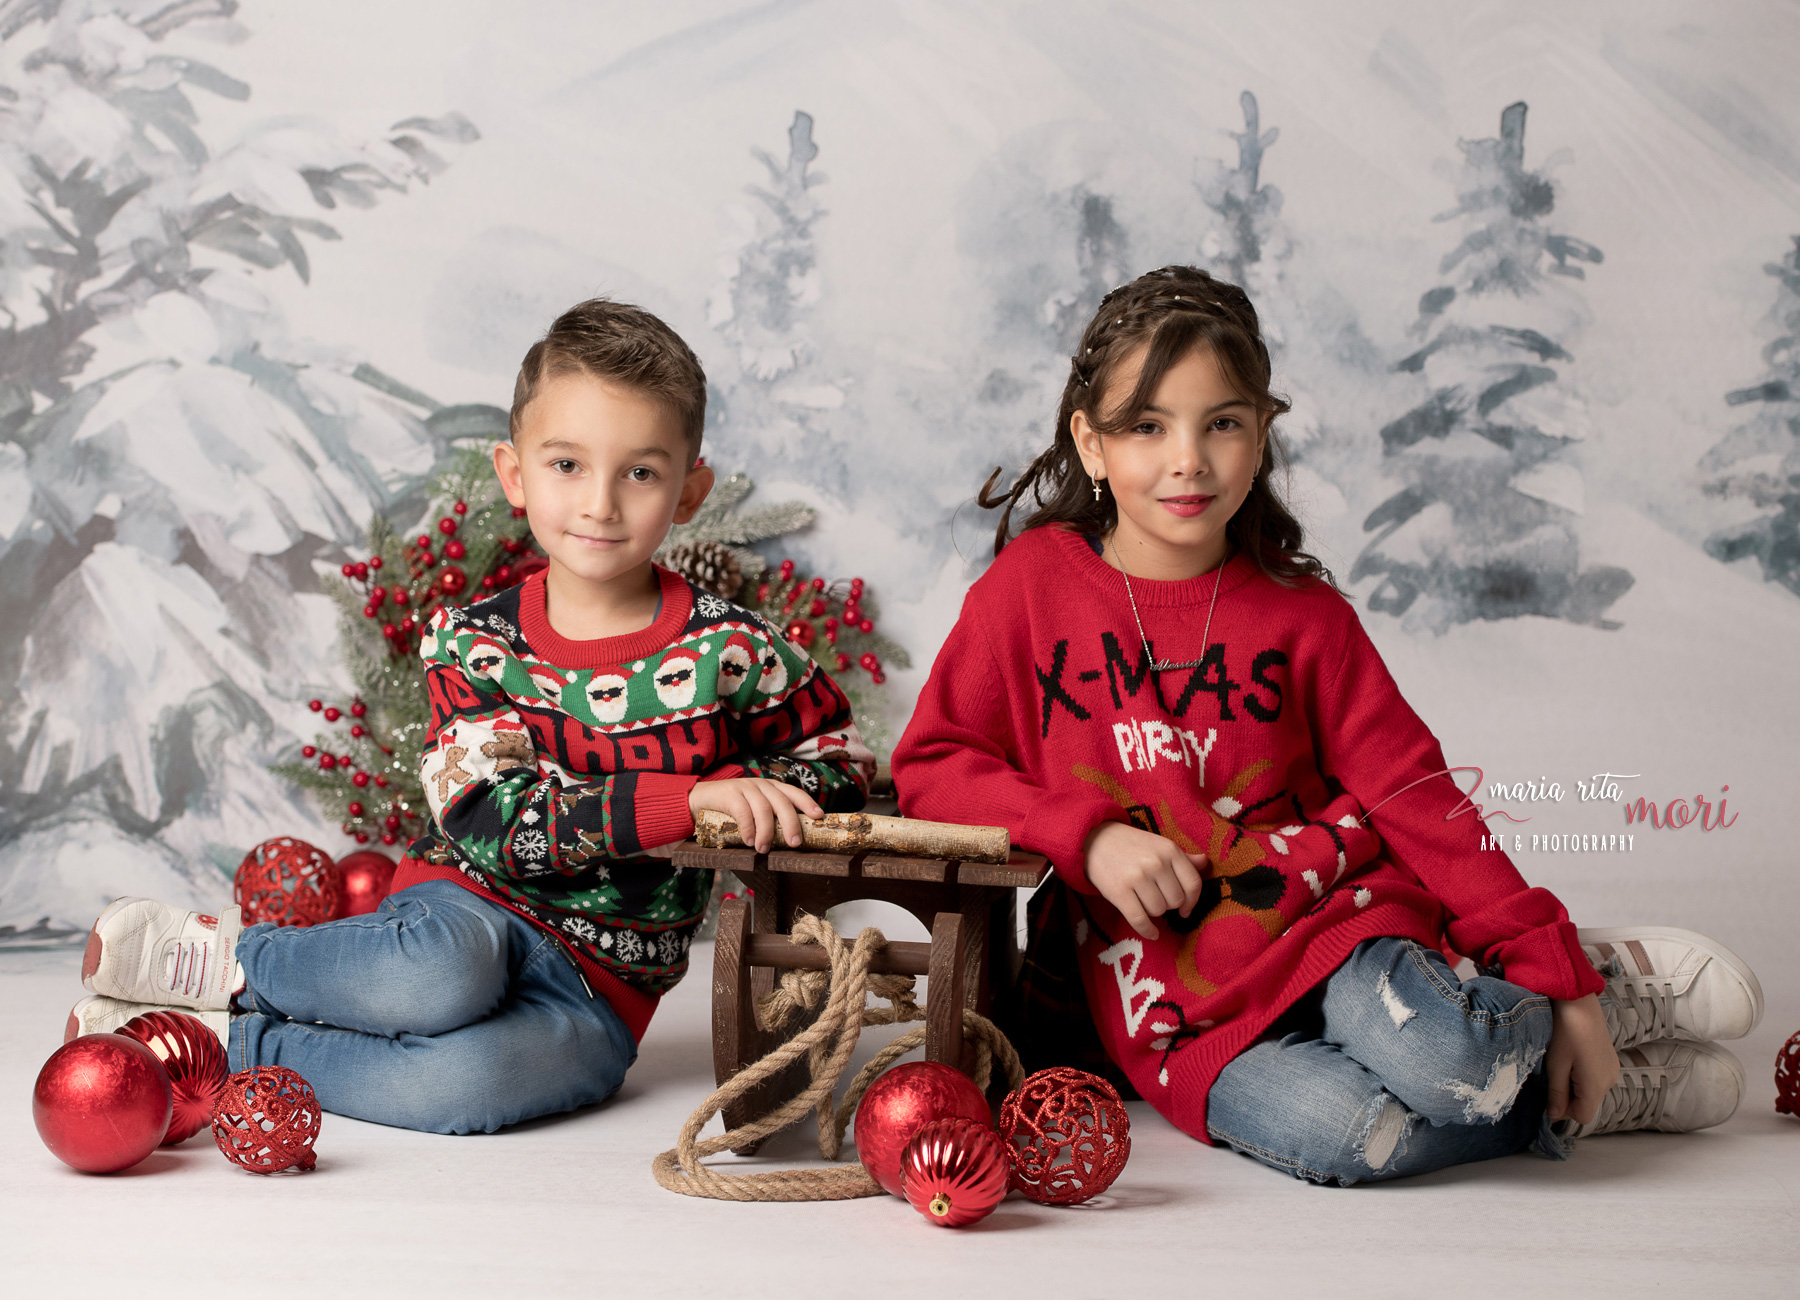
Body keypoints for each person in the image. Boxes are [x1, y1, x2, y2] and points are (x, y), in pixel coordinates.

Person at [890, 265, 1762, 1184]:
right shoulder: (1031, 593)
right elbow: (933, 764)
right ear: (1092, 444)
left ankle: (1593, 998)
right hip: (1177, 1010)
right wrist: (1089, 836)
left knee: (1451, 1064)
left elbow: (1418, 797)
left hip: (1334, 930)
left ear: (1261, 436)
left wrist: (1553, 968)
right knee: (1349, 1136)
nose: (1188, 458)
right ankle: (1567, 1095)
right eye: (1148, 427)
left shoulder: (1306, 619)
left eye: (1221, 422)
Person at [71, 298, 876, 1134]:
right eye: (567, 465)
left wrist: (761, 786)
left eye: (639, 472)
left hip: (604, 987)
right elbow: (492, 818)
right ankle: (226, 963)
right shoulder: (474, 645)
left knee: (465, 1088)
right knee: (438, 980)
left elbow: (842, 757)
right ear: (514, 474)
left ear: (689, 491)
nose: (600, 503)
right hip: (470, 908)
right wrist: (690, 797)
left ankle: (225, 1043)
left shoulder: (730, 650)